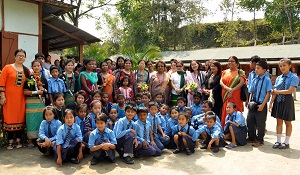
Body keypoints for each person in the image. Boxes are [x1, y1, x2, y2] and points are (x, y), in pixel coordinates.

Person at [0, 49, 29, 149]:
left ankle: (18, 140)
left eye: (23, 56)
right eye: (19, 55)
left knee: (20, 118)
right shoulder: (7, 68)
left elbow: (30, 84)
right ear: (15, 56)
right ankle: (10, 141)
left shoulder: (26, 70)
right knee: (9, 118)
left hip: (21, 99)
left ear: (25, 58)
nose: (21, 57)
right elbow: (2, 82)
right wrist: (2, 96)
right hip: (9, 99)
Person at [269, 58, 299, 149]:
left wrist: (277, 92)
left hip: (287, 101)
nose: (282, 67)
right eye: (280, 66)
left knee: (287, 122)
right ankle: (278, 141)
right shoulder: (278, 78)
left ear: (290, 66)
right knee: (279, 122)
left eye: (284, 65)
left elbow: (289, 91)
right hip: (278, 101)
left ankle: (286, 142)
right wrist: (271, 102)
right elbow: (275, 91)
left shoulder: (294, 77)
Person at [247, 60, 272, 147]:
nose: (256, 70)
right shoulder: (254, 78)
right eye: (256, 68)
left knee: (260, 123)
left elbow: (268, 93)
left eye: (258, 68)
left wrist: (262, 105)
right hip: (253, 103)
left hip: (261, 104)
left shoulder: (267, 80)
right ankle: (251, 137)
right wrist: (249, 102)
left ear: (264, 70)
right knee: (250, 121)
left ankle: (260, 140)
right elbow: (251, 91)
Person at [24, 60, 46, 148]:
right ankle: (30, 140)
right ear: (32, 67)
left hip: (41, 102)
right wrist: (36, 92)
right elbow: (24, 92)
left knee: (40, 120)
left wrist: (43, 90)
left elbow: (46, 91)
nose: (36, 67)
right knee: (31, 121)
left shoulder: (43, 78)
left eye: (38, 66)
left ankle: (39, 139)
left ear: (41, 67)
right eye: (34, 66)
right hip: (31, 102)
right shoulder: (28, 79)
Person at [220, 56, 246, 127]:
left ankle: (236, 129)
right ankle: (225, 129)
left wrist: (232, 90)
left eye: (232, 61)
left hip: (235, 95)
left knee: (235, 110)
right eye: (229, 61)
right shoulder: (225, 72)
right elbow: (221, 82)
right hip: (225, 94)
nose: (230, 62)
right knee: (226, 110)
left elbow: (241, 82)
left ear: (237, 63)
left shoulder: (240, 72)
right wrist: (227, 88)